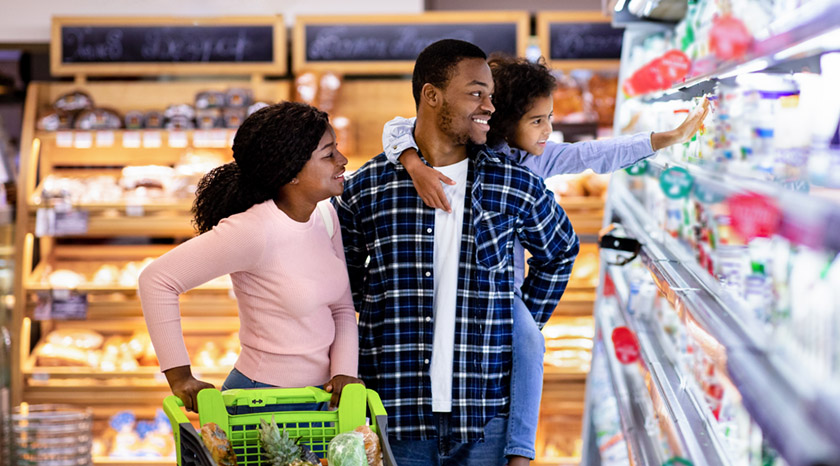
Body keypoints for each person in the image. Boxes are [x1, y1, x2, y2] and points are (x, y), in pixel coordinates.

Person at [380, 55, 709, 464]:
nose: (548, 130)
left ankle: (519, 447)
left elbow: (593, 155)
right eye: (537, 120)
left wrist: (663, 138)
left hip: (503, 291)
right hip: (447, 290)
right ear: (503, 119)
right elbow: (396, 128)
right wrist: (412, 162)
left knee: (530, 342)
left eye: (548, 118)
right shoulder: (466, 144)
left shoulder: (539, 160)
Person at [334, 40, 579, 466]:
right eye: (475, 93)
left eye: (491, 95)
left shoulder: (512, 184)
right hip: (395, 414)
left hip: (484, 417)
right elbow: (342, 288)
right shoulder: (368, 188)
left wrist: (519, 320)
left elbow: (559, 252)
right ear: (432, 96)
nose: (489, 105)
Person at [139, 102, 361, 413]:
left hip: (322, 400)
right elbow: (156, 280)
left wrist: (344, 374)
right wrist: (180, 377)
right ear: (292, 173)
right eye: (328, 154)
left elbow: (342, 308)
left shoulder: (324, 216)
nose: (342, 160)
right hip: (263, 403)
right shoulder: (253, 230)